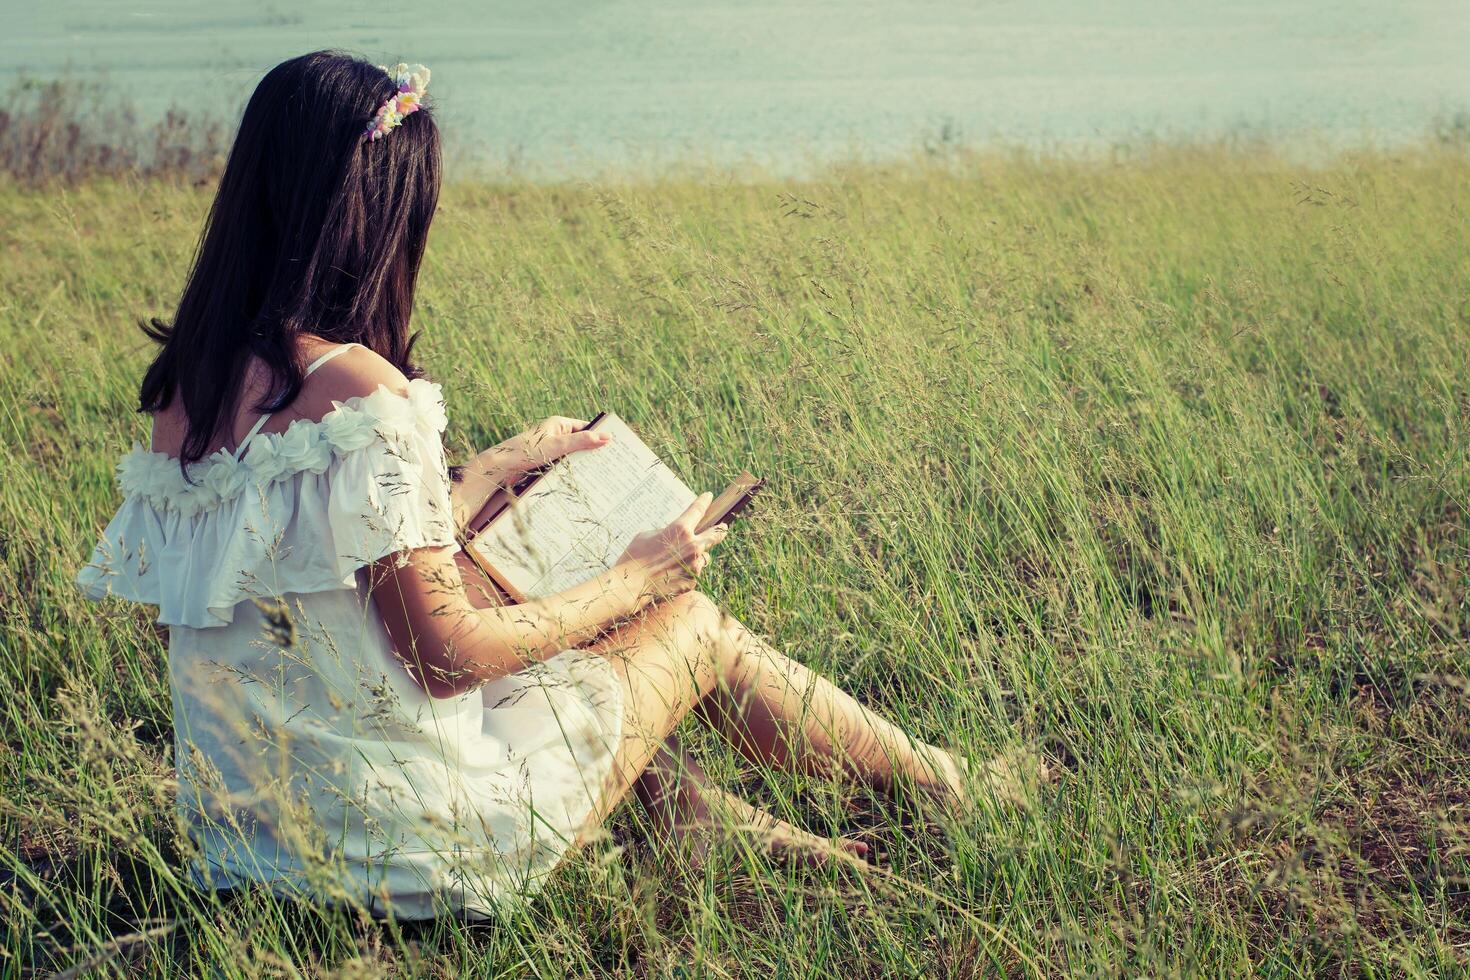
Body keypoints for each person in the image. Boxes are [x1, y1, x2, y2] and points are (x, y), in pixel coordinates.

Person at [76, 51, 982, 921]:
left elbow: (243, 598)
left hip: (254, 847)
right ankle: (950, 786)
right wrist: (638, 578)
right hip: (412, 853)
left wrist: (482, 477)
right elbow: (445, 658)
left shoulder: (183, 398)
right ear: (376, 219)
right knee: (685, 626)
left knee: (538, 625)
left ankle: (696, 816)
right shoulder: (363, 393)